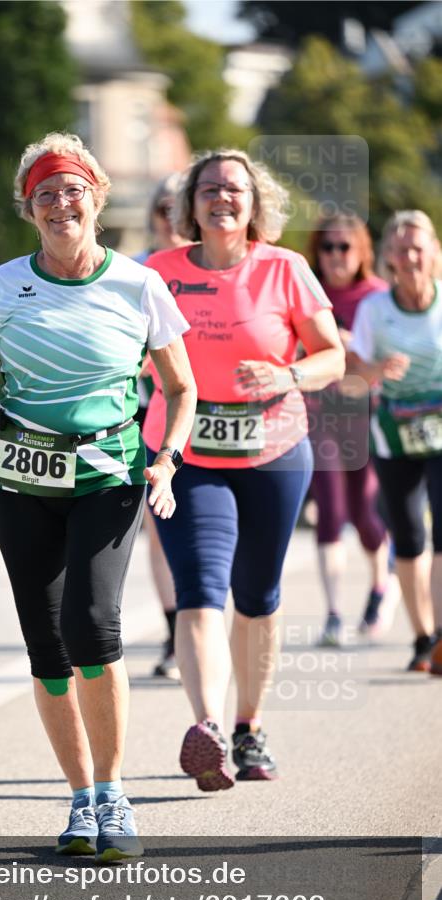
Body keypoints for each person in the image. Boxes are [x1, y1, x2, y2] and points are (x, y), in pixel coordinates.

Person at [0, 132, 196, 859]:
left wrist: (166, 457)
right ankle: (79, 801)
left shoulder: (138, 285)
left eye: (72, 188)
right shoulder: (0, 286)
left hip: (107, 476)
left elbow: (180, 387)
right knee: (45, 647)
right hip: (18, 482)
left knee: (92, 627)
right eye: (45, 192)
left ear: (96, 197)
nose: (60, 202)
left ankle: (113, 794)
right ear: (28, 209)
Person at [142, 149, 345, 789]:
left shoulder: (286, 270)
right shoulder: (159, 272)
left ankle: (249, 728)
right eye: (209, 188)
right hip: (184, 453)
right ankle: (207, 731)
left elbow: (332, 357)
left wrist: (286, 374)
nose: (221, 197)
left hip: (273, 452)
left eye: (234, 188)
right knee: (200, 586)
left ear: (255, 202)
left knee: (257, 596)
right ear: (189, 204)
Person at [348, 210, 442, 674]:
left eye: (418, 248)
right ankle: (423, 637)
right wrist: (376, 373)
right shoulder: (375, 311)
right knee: (408, 538)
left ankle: (441, 634)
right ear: (388, 258)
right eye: (401, 250)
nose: (410, 258)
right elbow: (353, 370)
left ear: (435, 253)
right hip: (394, 436)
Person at [306, 215, 398, 646]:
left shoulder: (379, 296)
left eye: (344, 246)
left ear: (362, 251)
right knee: (329, 508)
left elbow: (393, 363)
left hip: (366, 414)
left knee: (364, 513)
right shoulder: (307, 292)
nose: (336, 255)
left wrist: (351, 347)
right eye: (328, 247)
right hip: (319, 412)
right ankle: (333, 613)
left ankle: (382, 586)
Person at [135, 174, 190, 680]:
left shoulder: (211, 267)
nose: (172, 222)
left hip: (221, 418)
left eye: (181, 211)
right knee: (161, 531)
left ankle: (206, 623)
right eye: (164, 211)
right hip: (158, 416)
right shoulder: (137, 272)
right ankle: (176, 635)